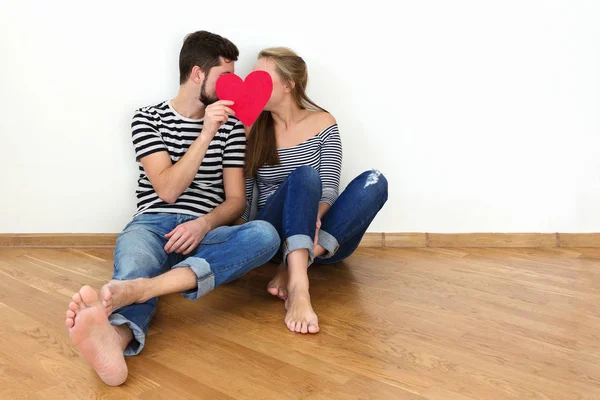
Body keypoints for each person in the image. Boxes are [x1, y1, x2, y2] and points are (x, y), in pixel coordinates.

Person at [64, 31, 280, 386]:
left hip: (206, 233)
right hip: (152, 224)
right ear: (197, 74)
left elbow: (236, 201)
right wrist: (206, 132)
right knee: (136, 264)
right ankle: (115, 341)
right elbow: (167, 189)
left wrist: (204, 224)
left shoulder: (232, 129)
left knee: (264, 234)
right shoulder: (147, 118)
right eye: (225, 77)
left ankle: (143, 290)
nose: (232, 87)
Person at [239, 47, 389, 335]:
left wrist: (313, 217)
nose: (252, 83)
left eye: (262, 76)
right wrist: (242, 243)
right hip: (275, 233)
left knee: (375, 181)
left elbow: (330, 190)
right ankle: (299, 288)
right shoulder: (251, 128)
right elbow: (245, 198)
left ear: (288, 83)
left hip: (323, 238)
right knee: (305, 175)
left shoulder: (323, 122)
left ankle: (295, 265)